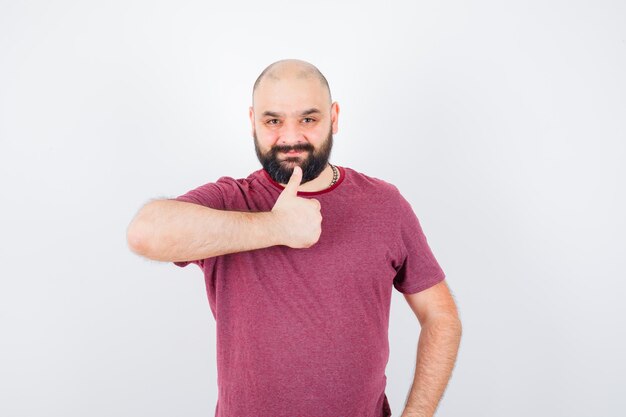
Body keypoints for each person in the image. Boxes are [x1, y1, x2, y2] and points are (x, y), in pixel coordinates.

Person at [126, 59, 462, 417]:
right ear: (252, 122)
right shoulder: (230, 201)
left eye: (308, 119)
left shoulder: (384, 204)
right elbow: (145, 232)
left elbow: (440, 316)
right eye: (273, 121)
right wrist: (275, 227)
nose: (290, 138)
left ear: (334, 117)